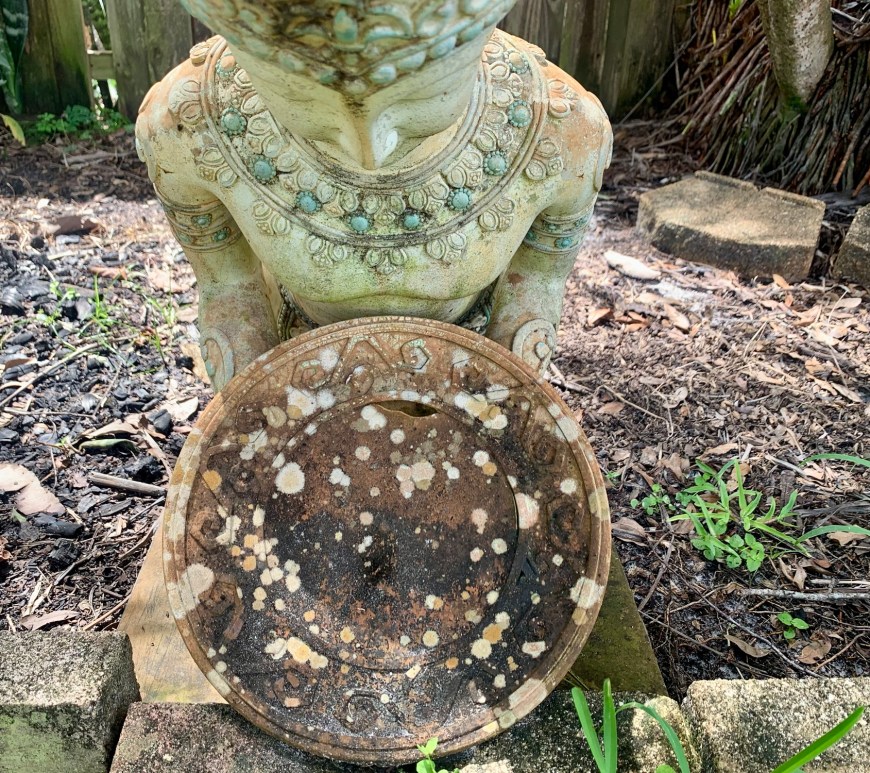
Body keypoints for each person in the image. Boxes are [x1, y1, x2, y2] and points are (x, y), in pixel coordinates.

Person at [136, 0, 612, 390]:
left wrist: (494, 417)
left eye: (420, 99)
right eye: (302, 100)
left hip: (466, 362)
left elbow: (533, 297)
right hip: (296, 357)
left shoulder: (563, 133)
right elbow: (230, 293)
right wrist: (262, 421)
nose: (370, 148)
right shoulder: (188, 125)